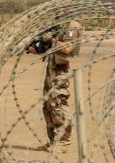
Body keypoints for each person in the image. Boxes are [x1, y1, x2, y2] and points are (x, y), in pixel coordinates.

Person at [32, 20, 82, 150]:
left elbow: (67, 48)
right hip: (51, 71)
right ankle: (53, 140)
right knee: (48, 105)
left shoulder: (72, 26)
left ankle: (64, 141)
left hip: (60, 72)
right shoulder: (58, 26)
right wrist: (36, 48)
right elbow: (52, 49)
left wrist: (52, 40)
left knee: (58, 104)